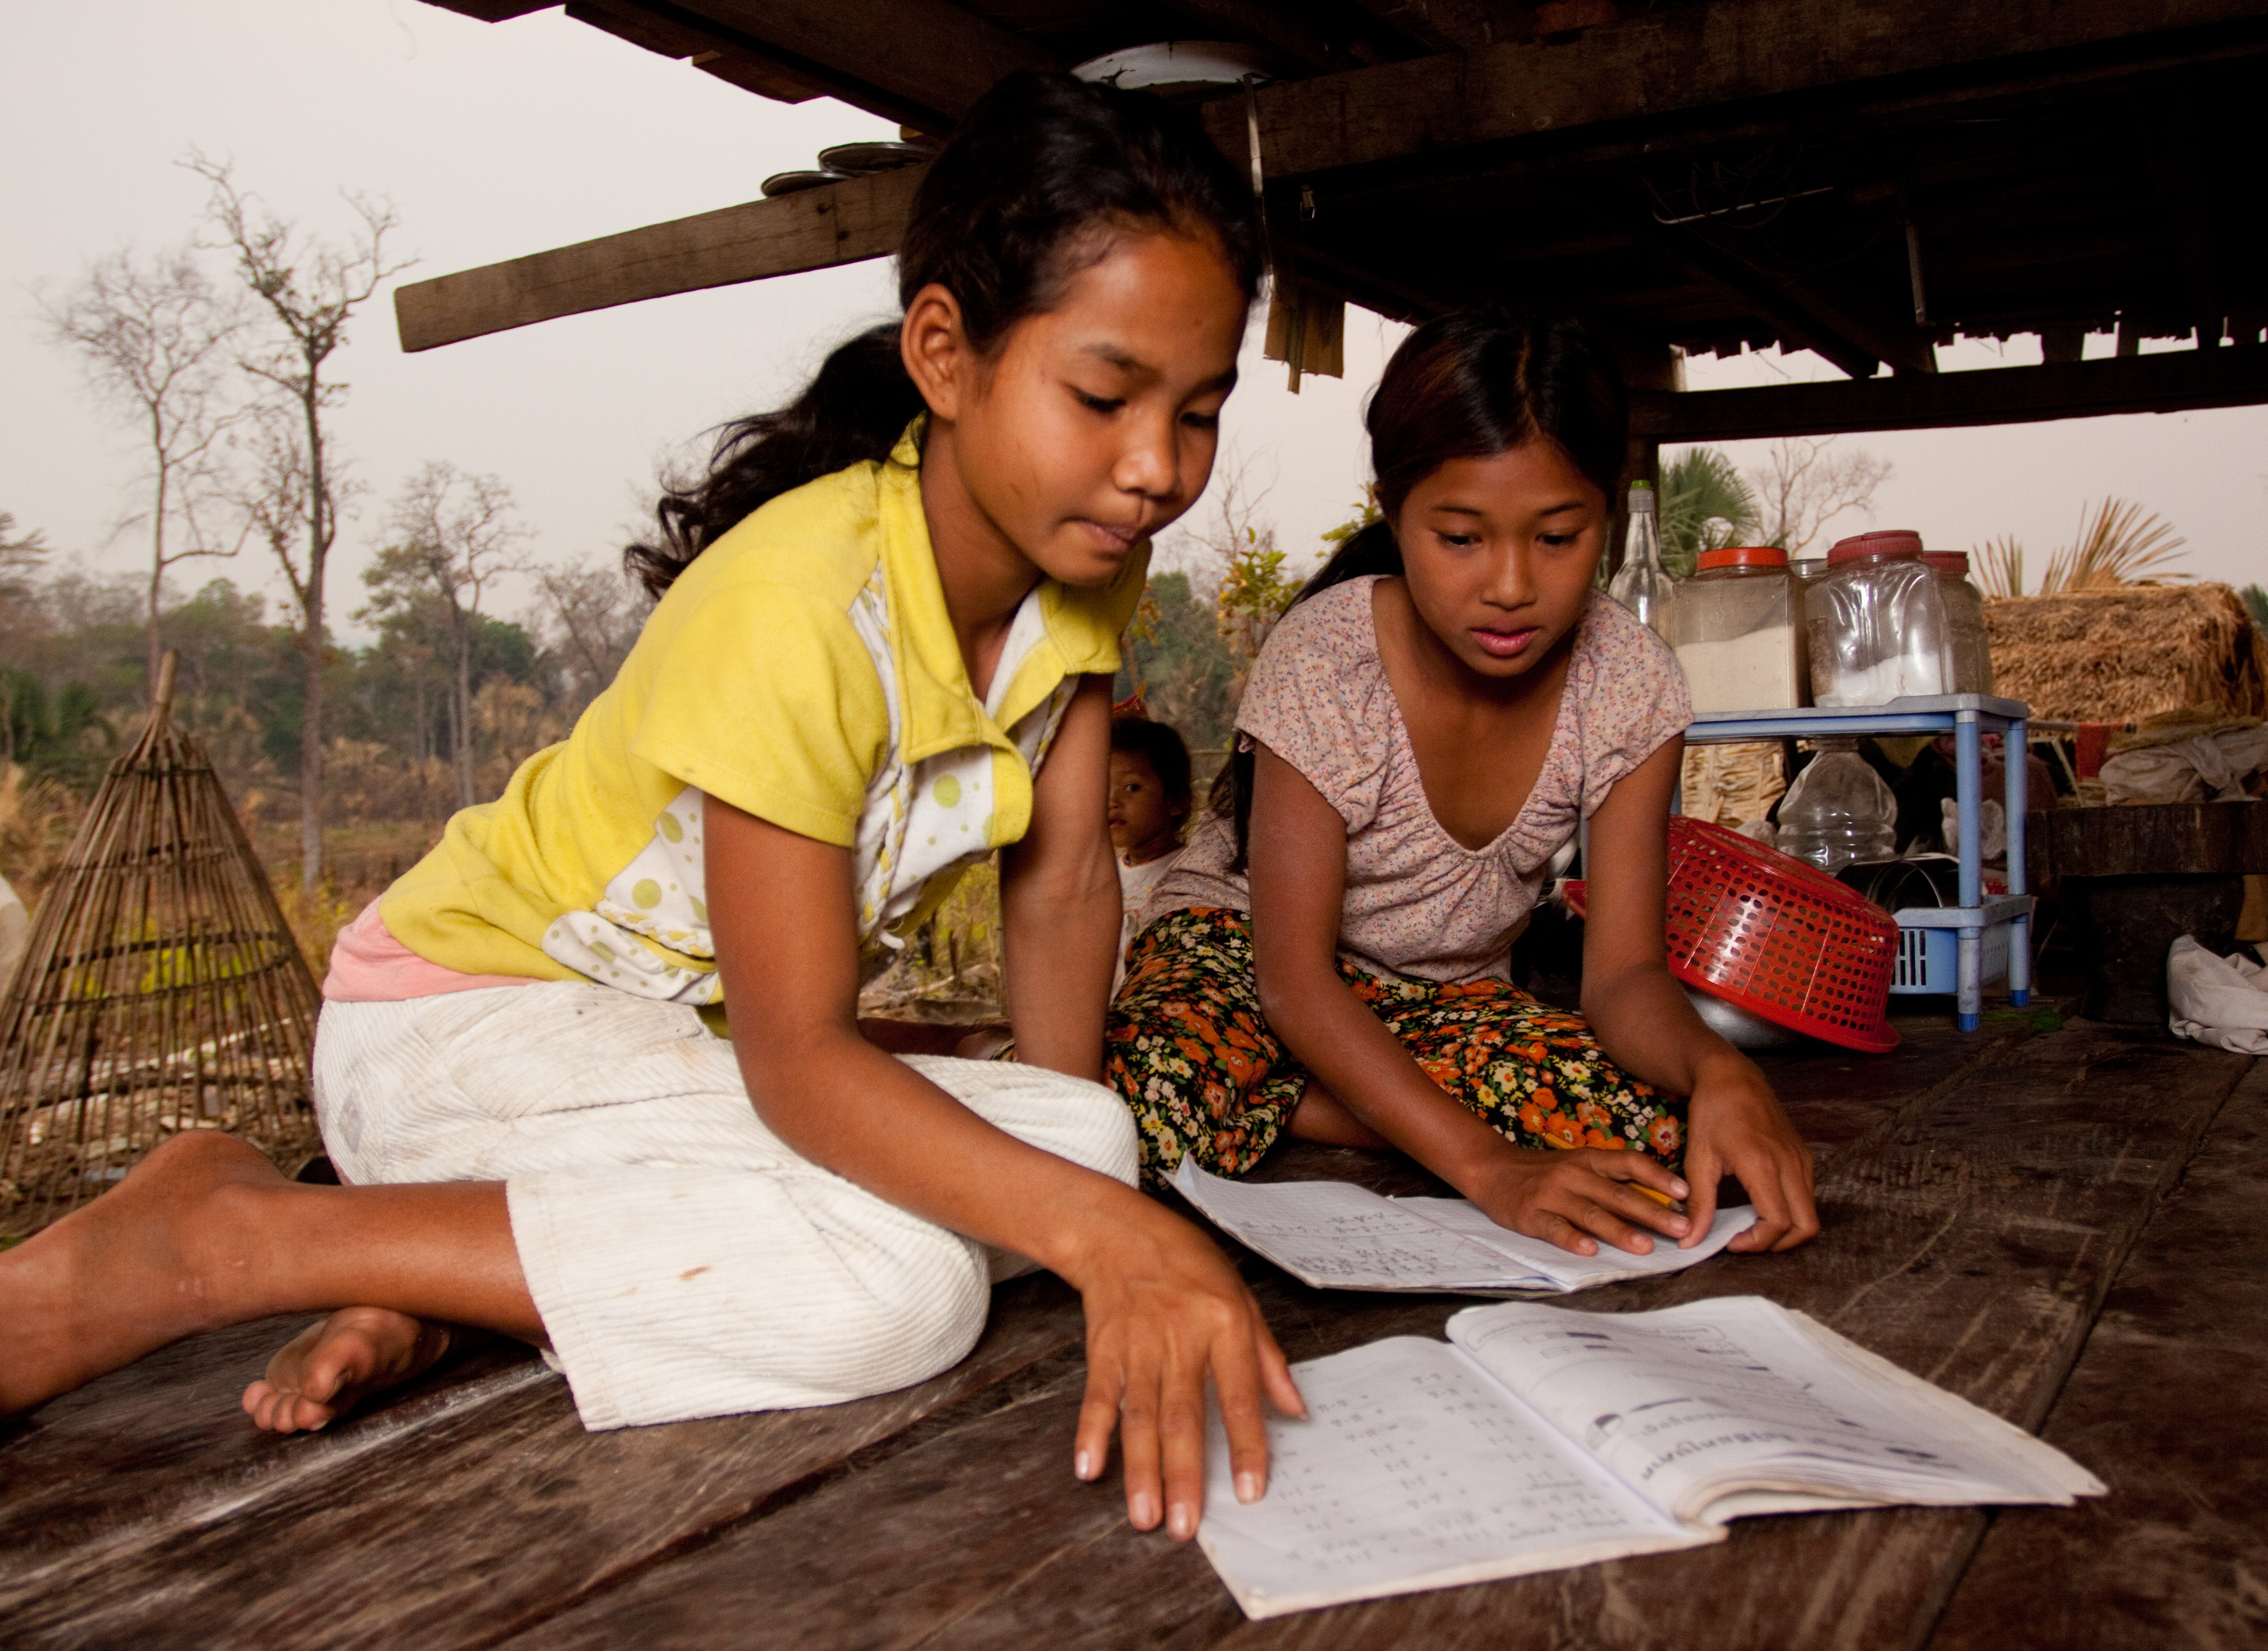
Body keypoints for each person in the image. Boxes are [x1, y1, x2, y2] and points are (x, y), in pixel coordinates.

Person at [0, 70, 1300, 1545]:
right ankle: (234, 1235)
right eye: (1105, 396)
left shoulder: (1082, 573)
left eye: (1198, 415)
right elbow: (798, 1065)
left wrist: (1078, 1191)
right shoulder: (801, 606)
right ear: (947, 352)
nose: (1156, 471)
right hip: (465, 1025)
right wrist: (1102, 1243)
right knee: (898, 1291)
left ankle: (448, 1274)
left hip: (646, 1067)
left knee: (1087, 1150)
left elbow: (1063, 884)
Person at [1107, 310, 1821, 1261]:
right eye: (1460, 537)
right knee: (1134, 1115)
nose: (1511, 585)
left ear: (1608, 513)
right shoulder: (1327, 658)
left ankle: (1303, 1100)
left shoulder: (1630, 682)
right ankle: (1346, 1106)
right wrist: (1486, 1165)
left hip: (1438, 997)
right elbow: (1296, 982)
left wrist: (1720, 1069)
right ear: (1392, 511)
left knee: (1651, 1127)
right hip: (1246, 958)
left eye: (1559, 537)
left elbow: (1622, 978)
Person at [1106, 714, 1193, 990]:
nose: (1112, 802)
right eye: (1103, 788)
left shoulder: (1191, 874)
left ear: (1177, 802)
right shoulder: (1104, 874)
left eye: (1132, 788)